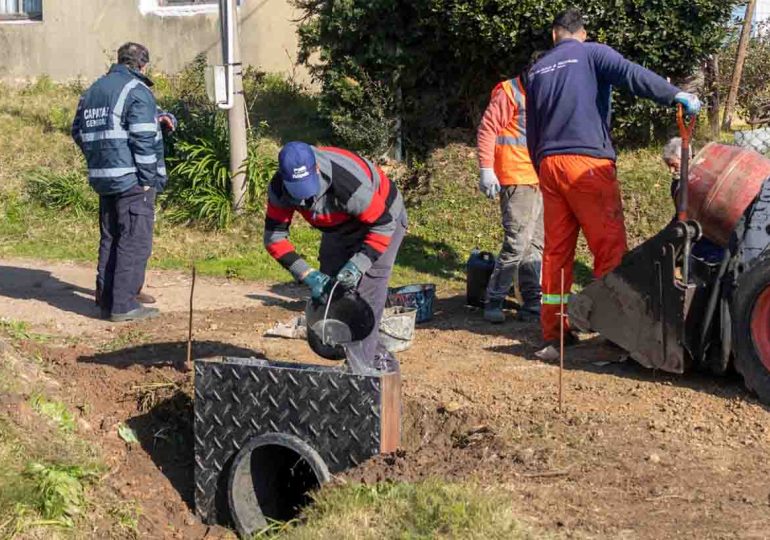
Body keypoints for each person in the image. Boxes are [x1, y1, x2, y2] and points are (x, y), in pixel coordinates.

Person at [525, 8, 702, 350]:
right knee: (608, 247)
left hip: (548, 164)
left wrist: (541, 166)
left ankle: (554, 333)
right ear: (583, 33)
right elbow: (630, 74)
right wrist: (675, 95)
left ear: (554, 35)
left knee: (556, 252)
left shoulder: (538, 69)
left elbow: (531, 129)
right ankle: (614, 332)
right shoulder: (592, 53)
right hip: (587, 164)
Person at [264, 142, 408, 370]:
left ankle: (366, 375)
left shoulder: (346, 182)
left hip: (383, 220)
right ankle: (372, 357)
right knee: (334, 294)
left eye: (308, 190)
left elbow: (383, 224)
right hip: (339, 228)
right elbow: (275, 239)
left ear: (317, 170)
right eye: (297, 192)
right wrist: (307, 274)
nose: (303, 201)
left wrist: (358, 265)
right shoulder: (279, 189)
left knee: (364, 300)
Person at [72, 42, 174, 322]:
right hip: (132, 180)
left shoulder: (93, 90)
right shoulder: (137, 90)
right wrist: (147, 179)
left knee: (111, 238)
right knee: (135, 240)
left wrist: (102, 160)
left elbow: (78, 131)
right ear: (142, 65)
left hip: (104, 178)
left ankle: (107, 299)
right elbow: (142, 140)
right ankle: (124, 305)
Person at [476, 63, 543, 323]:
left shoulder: (543, 89)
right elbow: (487, 129)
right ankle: (494, 299)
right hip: (516, 175)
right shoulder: (509, 92)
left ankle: (532, 300)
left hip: (541, 176)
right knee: (517, 243)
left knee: (536, 244)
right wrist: (486, 169)